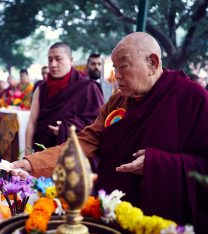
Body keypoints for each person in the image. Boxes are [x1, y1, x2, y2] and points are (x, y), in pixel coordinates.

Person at [13, 32, 208, 233]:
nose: (117, 75)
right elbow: (85, 141)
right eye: (114, 67)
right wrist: (32, 162)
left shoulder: (192, 98)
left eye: (123, 66)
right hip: (111, 210)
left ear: (152, 63)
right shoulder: (118, 101)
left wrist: (157, 163)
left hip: (161, 217)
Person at [25, 42, 104, 155]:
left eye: (58, 59)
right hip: (41, 151)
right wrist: (27, 154)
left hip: (74, 156)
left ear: (71, 60)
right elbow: (32, 122)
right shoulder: (42, 88)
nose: (53, 64)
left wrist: (67, 129)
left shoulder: (88, 88)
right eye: (50, 60)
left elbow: (97, 125)